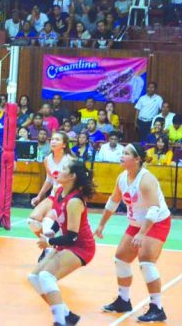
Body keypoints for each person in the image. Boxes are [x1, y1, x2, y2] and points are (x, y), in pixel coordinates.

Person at [96, 144, 172, 323]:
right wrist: (101, 225)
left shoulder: (146, 180)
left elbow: (154, 208)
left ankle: (157, 308)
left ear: (137, 159)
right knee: (121, 258)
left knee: (146, 262)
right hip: (136, 223)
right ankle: (123, 300)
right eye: (122, 153)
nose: (122, 156)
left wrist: (142, 233)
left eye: (126, 153)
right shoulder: (122, 178)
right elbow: (113, 202)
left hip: (156, 222)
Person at [27, 161, 96, 326]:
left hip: (81, 247)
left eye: (64, 169)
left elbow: (72, 235)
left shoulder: (75, 201)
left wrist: (49, 241)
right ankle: (67, 315)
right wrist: (51, 230)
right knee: (34, 277)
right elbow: (60, 218)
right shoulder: (59, 192)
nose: (59, 170)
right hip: (69, 243)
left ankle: (60, 322)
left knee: (46, 276)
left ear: (72, 176)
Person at [28, 131, 74, 260]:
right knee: (32, 221)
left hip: (65, 198)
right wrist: (39, 196)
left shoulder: (70, 161)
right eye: (52, 139)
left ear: (64, 145)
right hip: (53, 196)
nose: (53, 141)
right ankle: (49, 247)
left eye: (57, 140)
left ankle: (51, 249)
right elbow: (49, 179)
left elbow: (77, 182)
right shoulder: (48, 159)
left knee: (48, 222)